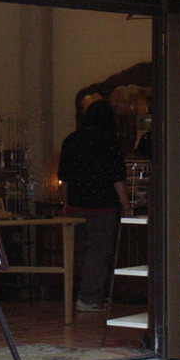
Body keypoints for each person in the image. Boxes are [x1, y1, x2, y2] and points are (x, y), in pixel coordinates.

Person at [57, 97, 132, 312]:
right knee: (98, 253)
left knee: (82, 252)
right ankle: (89, 297)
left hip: (76, 205)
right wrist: (126, 204)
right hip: (102, 205)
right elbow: (117, 177)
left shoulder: (71, 140)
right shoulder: (109, 142)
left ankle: (86, 294)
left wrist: (66, 202)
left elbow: (64, 177)